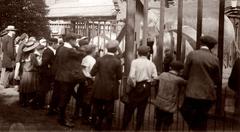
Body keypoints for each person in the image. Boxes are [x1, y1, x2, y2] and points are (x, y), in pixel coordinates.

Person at [180, 35, 221, 130]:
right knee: (202, 117)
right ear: (211, 46)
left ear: (201, 43)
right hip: (208, 94)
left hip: (192, 92)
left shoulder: (192, 54)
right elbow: (218, 79)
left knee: (185, 110)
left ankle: (195, 128)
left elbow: (185, 74)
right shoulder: (215, 58)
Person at [122, 45, 158, 131]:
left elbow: (131, 76)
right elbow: (155, 77)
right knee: (141, 109)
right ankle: (137, 128)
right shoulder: (151, 64)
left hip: (136, 87)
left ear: (138, 53)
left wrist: (133, 86)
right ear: (148, 53)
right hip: (146, 88)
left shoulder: (135, 62)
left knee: (129, 109)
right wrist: (149, 82)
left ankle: (124, 128)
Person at [54, 33, 85, 127]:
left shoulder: (61, 48)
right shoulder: (70, 50)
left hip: (61, 76)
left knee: (63, 98)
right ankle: (63, 120)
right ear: (71, 40)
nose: (76, 42)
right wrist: (77, 46)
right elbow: (82, 54)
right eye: (75, 40)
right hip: (67, 78)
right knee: (65, 99)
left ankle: (61, 118)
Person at [90, 40, 122, 130]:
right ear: (116, 49)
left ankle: (95, 125)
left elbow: (92, 73)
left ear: (107, 49)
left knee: (96, 107)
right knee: (109, 109)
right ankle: (108, 127)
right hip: (110, 89)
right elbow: (119, 76)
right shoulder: (117, 61)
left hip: (99, 88)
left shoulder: (100, 59)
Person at [152, 61, 186, 131]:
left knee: (158, 121)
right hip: (169, 105)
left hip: (159, 102)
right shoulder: (178, 80)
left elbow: (155, 79)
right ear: (179, 70)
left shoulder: (163, 74)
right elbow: (187, 83)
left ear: (170, 67)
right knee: (166, 123)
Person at [34, 38, 58, 109]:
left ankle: (39, 103)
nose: (57, 45)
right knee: (44, 89)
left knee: (44, 89)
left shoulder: (48, 51)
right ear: (53, 43)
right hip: (46, 73)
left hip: (46, 72)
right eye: (56, 44)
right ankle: (37, 104)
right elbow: (44, 62)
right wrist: (49, 67)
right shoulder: (49, 51)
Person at [77, 44, 96, 124]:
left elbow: (83, 69)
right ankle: (85, 118)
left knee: (82, 98)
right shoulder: (92, 60)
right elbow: (92, 72)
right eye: (95, 50)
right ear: (92, 51)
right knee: (88, 100)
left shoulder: (85, 58)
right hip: (89, 80)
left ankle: (80, 115)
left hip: (83, 79)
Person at [19, 40, 41, 107]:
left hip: (25, 73)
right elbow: (36, 64)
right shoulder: (32, 55)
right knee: (31, 88)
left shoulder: (24, 55)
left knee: (24, 87)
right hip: (31, 73)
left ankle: (23, 101)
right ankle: (30, 101)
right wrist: (39, 60)